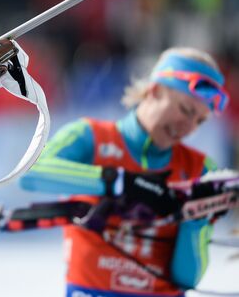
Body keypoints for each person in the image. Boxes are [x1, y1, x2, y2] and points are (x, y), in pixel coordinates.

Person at [20, 47, 229, 297]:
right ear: (155, 90)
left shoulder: (199, 168)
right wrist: (119, 182)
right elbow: (29, 173)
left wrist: (194, 221)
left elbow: (186, 279)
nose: (189, 126)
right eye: (185, 110)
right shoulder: (91, 136)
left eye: (200, 120)